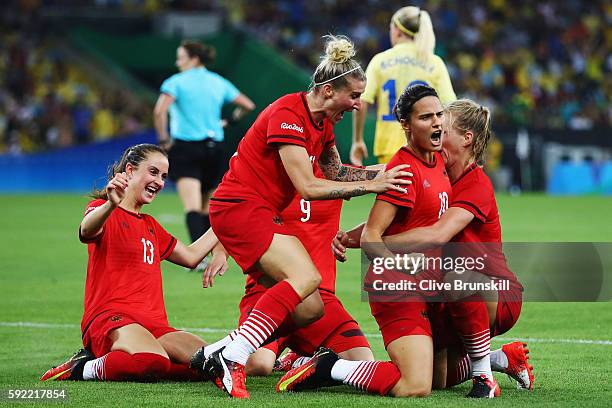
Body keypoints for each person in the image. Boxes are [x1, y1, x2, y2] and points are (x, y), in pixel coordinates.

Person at [201, 35, 412, 399]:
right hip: (238, 207)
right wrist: (374, 187)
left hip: (258, 212)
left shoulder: (322, 124)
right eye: (354, 96)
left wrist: (387, 171)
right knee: (307, 276)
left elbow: (336, 172)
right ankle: (233, 357)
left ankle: (217, 352)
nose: (358, 105)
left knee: (310, 305)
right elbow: (310, 186)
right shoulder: (288, 113)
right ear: (328, 91)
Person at [283, 98, 533, 399]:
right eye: (433, 118)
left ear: (467, 139)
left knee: (457, 276)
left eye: (444, 121)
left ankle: (483, 375)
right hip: (442, 291)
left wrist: (373, 242)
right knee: (434, 379)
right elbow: (402, 220)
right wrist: (353, 235)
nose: (437, 125)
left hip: (493, 292)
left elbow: (438, 234)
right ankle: (501, 359)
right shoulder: (432, 169)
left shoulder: (476, 183)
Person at [40, 144, 227, 383]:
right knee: (152, 361)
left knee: (214, 363)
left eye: (164, 177)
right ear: (129, 171)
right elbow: (86, 231)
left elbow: (191, 256)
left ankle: (152, 358)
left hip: (154, 326)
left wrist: (226, 218)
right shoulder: (102, 210)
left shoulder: (150, 225)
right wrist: (110, 204)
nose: (159, 182)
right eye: (153, 172)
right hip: (111, 318)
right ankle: (81, 368)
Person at [201, 167, 374, 379]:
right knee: (259, 365)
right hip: (269, 294)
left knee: (362, 363)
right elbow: (231, 214)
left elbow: (378, 172)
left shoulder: (334, 177)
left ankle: (298, 361)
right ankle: (226, 352)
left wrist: (408, 168)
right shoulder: (269, 180)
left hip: (321, 298)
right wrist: (220, 251)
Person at [153, 40, 255, 269]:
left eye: (180, 57)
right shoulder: (218, 82)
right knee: (208, 205)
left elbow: (159, 111)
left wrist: (163, 140)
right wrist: (228, 121)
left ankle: (197, 258)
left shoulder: (176, 82)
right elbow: (248, 104)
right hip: (215, 147)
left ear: (193, 59)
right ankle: (211, 255)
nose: (177, 62)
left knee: (191, 205)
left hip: (186, 147)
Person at [351, 5, 456, 166]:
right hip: (425, 143)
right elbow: (450, 106)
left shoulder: (380, 60)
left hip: (388, 146)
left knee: (394, 190)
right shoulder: (434, 63)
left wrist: (357, 140)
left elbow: (361, 102)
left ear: (397, 30)